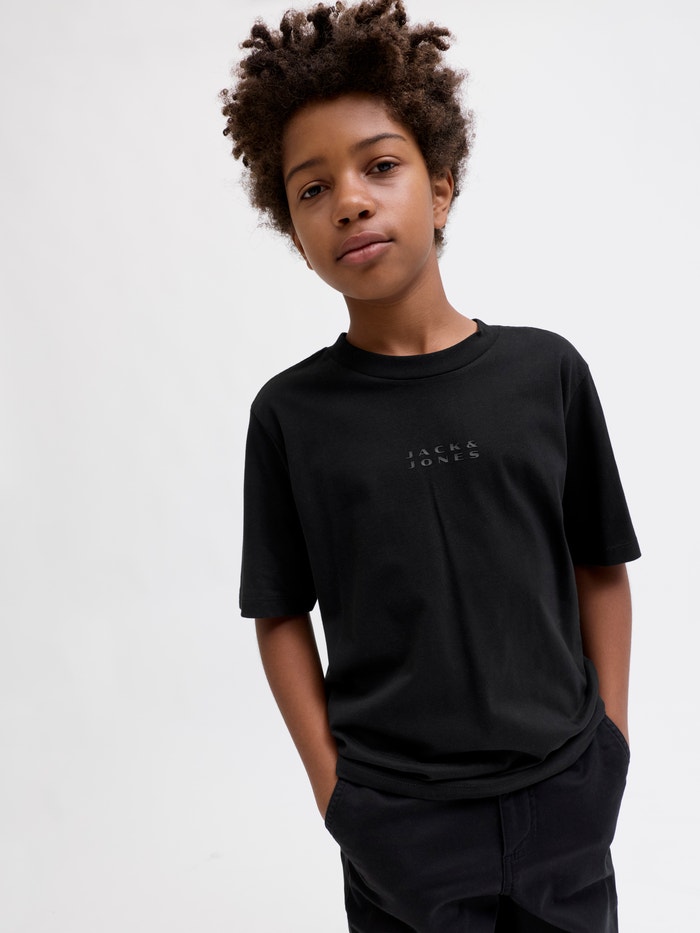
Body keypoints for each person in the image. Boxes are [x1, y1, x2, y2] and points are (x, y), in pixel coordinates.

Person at [221, 2, 640, 930]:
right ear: (295, 231)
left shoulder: (547, 372)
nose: (350, 200)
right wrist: (339, 795)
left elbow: (601, 565)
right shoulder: (290, 416)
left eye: (380, 166)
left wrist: (610, 742)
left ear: (441, 188)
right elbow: (279, 614)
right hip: (399, 825)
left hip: (567, 798)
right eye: (312, 188)